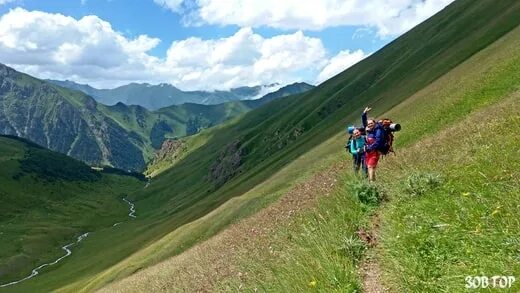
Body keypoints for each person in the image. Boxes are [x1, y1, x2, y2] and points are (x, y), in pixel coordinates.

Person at [362, 107, 385, 182]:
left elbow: (378, 141)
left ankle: (372, 184)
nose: (370, 125)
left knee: (370, 167)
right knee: (370, 168)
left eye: (372, 123)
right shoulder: (369, 130)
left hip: (374, 152)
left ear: (374, 123)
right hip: (368, 153)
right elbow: (364, 122)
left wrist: (369, 148)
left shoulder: (378, 130)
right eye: (369, 124)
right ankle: (374, 183)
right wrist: (364, 114)